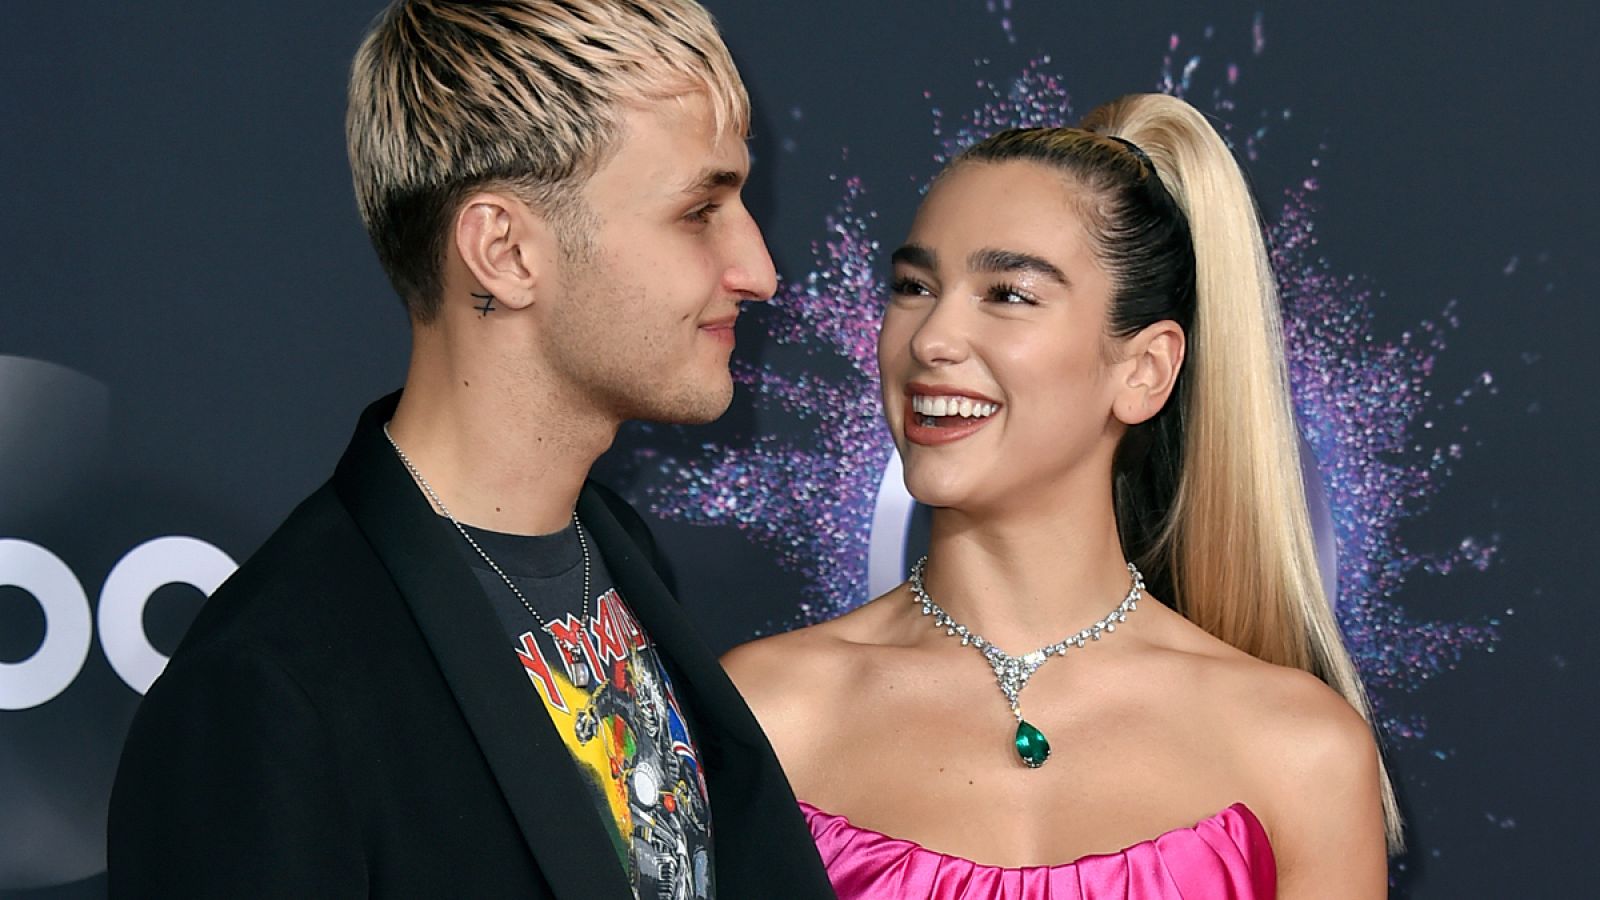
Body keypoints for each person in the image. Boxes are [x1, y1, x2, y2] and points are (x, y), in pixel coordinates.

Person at [107, 2, 834, 898]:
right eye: (699, 210)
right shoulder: (269, 690)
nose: (758, 270)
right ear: (506, 252)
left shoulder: (615, 553)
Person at [723, 92, 1399, 899]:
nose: (932, 338)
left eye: (1008, 294)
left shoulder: (1300, 751)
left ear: (1144, 370)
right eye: (913, 286)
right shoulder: (765, 714)